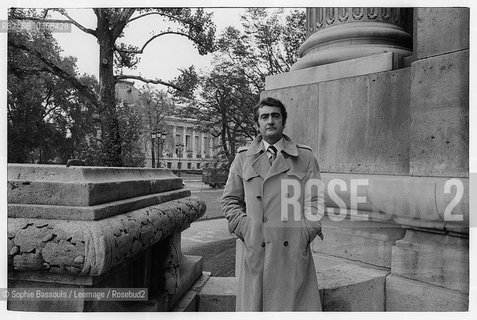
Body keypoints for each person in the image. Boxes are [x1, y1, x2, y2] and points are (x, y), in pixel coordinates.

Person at [221, 97, 324, 311]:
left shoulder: (304, 156)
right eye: (264, 116)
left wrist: (305, 232)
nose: (270, 121)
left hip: (292, 251)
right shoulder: (243, 158)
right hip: (257, 249)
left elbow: (315, 200)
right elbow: (230, 200)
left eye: (275, 116)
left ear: (283, 121)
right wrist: (246, 229)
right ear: (258, 123)